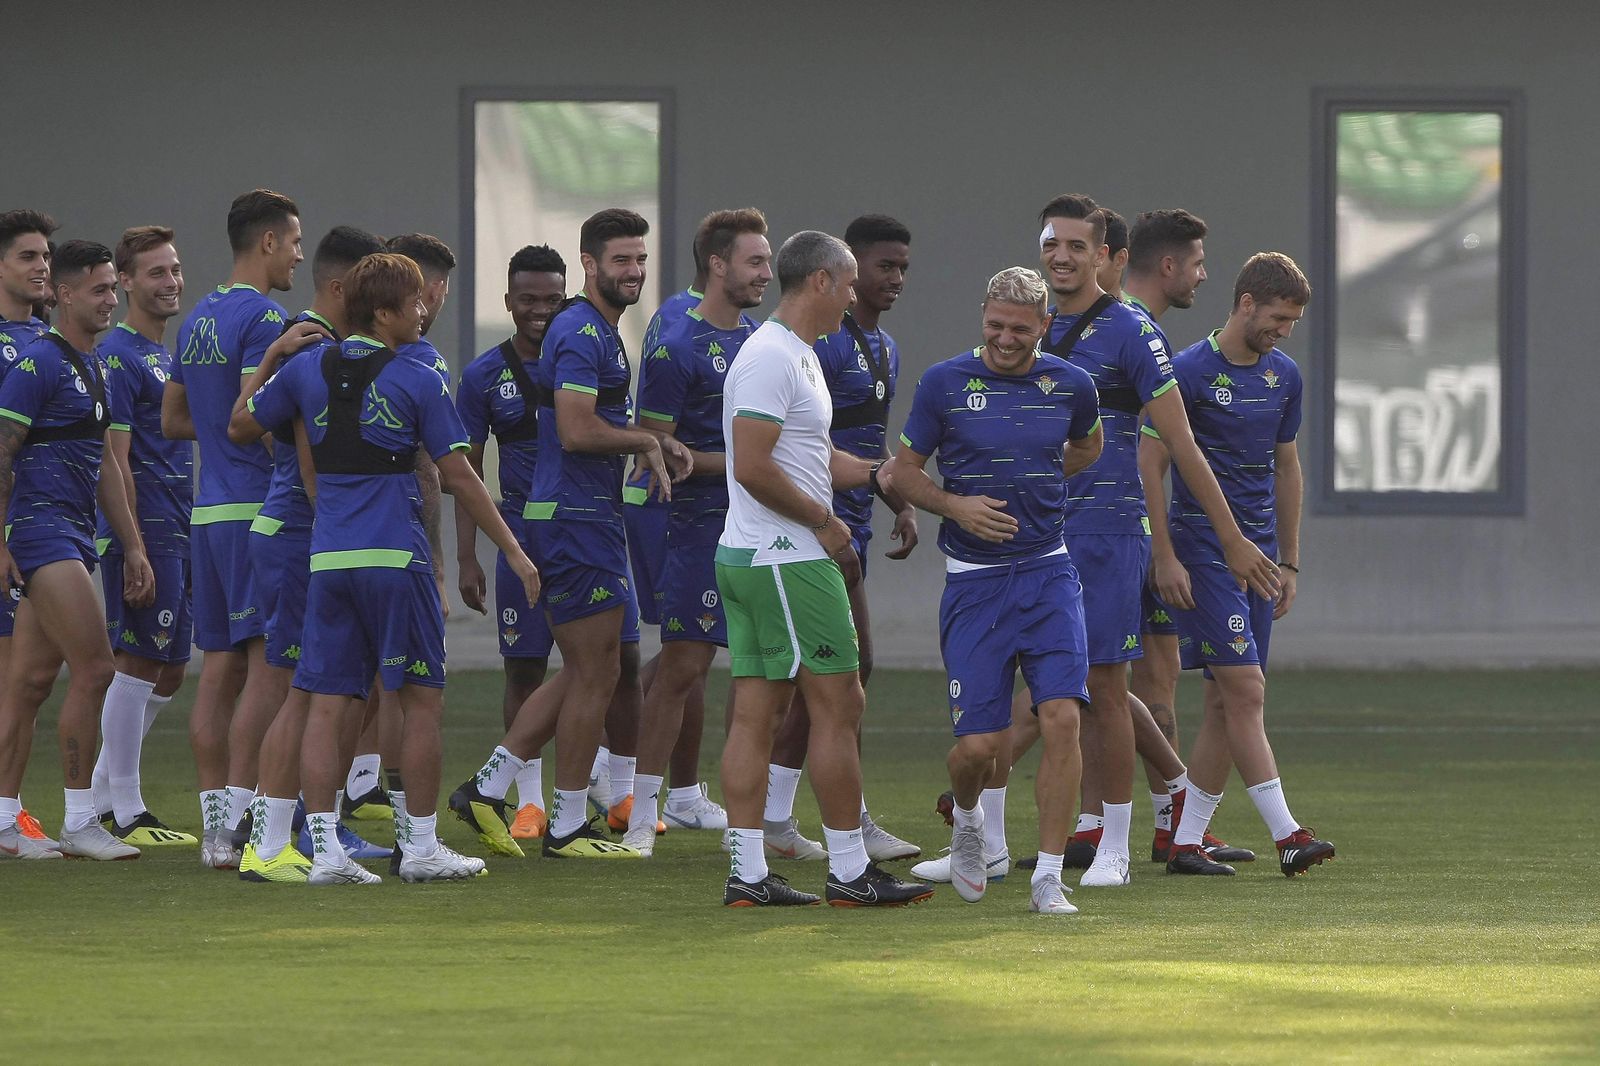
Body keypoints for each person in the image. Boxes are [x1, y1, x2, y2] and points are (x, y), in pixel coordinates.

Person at [230, 250, 535, 884]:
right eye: (416, 302)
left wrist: (269, 360)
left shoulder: (306, 370)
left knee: (326, 703)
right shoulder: (417, 377)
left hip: (329, 559)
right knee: (420, 700)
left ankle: (326, 853)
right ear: (385, 312)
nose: (425, 310)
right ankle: (420, 847)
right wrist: (511, 549)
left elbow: (238, 425)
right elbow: (459, 476)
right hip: (397, 559)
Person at [451, 208, 687, 861]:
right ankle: (563, 824)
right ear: (589, 264)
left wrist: (650, 443)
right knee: (590, 673)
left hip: (586, 520)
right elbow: (578, 429)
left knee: (600, 668)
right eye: (621, 260)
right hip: (573, 524)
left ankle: (490, 787)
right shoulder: (582, 331)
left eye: (640, 260)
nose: (634, 271)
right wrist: (648, 438)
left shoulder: (601, 331)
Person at [716, 229, 930, 908]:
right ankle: (848, 870)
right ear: (819, 283)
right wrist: (823, 521)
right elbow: (751, 467)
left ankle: (749, 876)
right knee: (839, 704)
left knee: (759, 713)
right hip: (787, 559)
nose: (854, 296)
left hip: (757, 556)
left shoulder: (797, 355)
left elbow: (806, 456)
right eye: (847, 285)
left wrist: (874, 475)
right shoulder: (773, 357)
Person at [892, 266, 1102, 913]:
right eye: (995, 326)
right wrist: (955, 506)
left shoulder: (1071, 384)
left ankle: (1047, 878)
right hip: (976, 585)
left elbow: (1087, 445)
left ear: (1045, 326)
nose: (1006, 339)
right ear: (982, 316)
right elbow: (902, 474)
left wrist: (1041, 477)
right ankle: (969, 821)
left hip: (1048, 574)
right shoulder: (944, 384)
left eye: (1020, 329)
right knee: (977, 749)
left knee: (1062, 716)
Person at [1141, 252, 1334, 878]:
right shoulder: (1189, 371)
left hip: (1259, 558)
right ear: (1246, 302)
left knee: (1226, 703)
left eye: (1293, 321)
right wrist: (1164, 553)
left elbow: (1287, 467)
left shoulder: (1286, 376)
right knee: (1247, 690)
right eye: (1278, 317)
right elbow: (1152, 462)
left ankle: (1185, 842)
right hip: (1203, 553)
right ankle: (1288, 835)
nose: (1284, 330)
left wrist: (1292, 562)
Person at [232, 224, 391, 883]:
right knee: (301, 690)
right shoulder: (317, 346)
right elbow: (291, 456)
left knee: (330, 689)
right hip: (303, 536)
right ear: (343, 287)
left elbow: (246, 423)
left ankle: (298, 827)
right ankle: (264, 839)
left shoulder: (323, 345)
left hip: (306, 537)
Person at [762, 214, 921, 864]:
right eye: (885, 266)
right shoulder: (818, 344)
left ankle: (773, 817)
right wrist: (822, 518)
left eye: (903, 268)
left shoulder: (884, 348)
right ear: (848, 269)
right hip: (814, 524)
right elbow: (803, 444)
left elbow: (866, 440)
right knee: (845, 671)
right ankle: (841, 825)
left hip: (852, 518)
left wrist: (899, 501)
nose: (895, 280)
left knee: (819, 676)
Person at [163, 189, 306, 868]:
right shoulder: (265, 317)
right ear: (268, 243)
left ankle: (215, 828)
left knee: (217, 672)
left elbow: (173, 420)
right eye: (296, 242)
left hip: (207, 510)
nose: (300, 256)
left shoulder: (196, 319)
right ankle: (247, 820)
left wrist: (223, 439)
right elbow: (259, 417)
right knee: (267, 673)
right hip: (256, 512)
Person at [0, 239, 154, 860]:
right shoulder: (36, 364)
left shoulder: (93, 366)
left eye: (113, 289)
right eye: (98, 290)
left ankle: (5, 819)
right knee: (95, 669)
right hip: (40, 534)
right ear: (63, 295)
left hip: (72, 535)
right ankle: (80, 818)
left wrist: (134, 546)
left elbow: (106, 470)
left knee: (30, 682)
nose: (110, 300)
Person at [622, 208, 769, 854]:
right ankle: (637, 817)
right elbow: (653, 446)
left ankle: (753, 820)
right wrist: (742, 462)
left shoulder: (760, 340)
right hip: (696, 526)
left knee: (758, 671)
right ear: (717, 265)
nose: (767, 273)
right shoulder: (677, 345)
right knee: (684, 661)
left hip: (760, 524)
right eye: (755, 261)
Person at [1122, 208, 1250, 864]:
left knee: (1154, 684)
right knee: (1091, 682)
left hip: (1136, 537)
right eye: (1198, 263)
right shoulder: (1132, 332)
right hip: (1119, 537)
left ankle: (1171, 825)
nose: (1204, 275)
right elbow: (1159, 453)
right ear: (1168, 265)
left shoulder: (1136, 329)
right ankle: (973, 798)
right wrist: (1165, 548)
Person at [89, 226, 197, 846]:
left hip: (179, 521)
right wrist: (131, 543)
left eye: (174, 270)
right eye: (155, 273)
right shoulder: (119, 357)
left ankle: (108, 792)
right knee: (138, 659)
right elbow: (117, 459)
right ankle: (125, 810)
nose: (170, 282)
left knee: (173, 667)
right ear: (126, 282)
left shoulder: (168, 354)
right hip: (144, 524)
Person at [454, 244, 565, 838]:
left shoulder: (586, 358)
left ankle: (594, 789)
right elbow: (464, 471)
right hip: (517, 532)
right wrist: (468, 555)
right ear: (508, 302)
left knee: (596, 663)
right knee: (524, 668)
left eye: (552, 299)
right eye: (528, 300)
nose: (540, 311)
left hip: (578, 531)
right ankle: (529, 801)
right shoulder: (483, 374)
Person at [0, 210, 58, 849]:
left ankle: (6, 810)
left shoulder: (46, 340)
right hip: (13, 536)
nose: (42, 266)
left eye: (45, 255)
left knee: (28, 682)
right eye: (27, 256)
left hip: (38, 533)